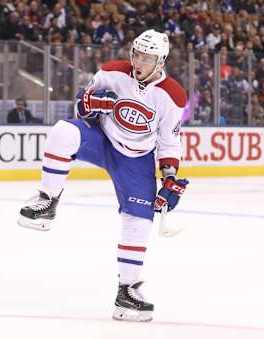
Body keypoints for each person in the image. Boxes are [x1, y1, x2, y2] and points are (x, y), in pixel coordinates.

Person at [17, 29, 189, 322]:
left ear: (160, 61)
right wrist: (91, 104)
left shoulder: (173, 96)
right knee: (64, 131)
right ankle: (47, 202)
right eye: (136, 54)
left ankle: (127, 292)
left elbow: (169, 140)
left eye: (146, 57)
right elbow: (81, 108)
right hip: (103, 140)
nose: (138, 61)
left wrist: (169, 177)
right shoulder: (111, 72)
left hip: (136, 159)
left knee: (139, 220)